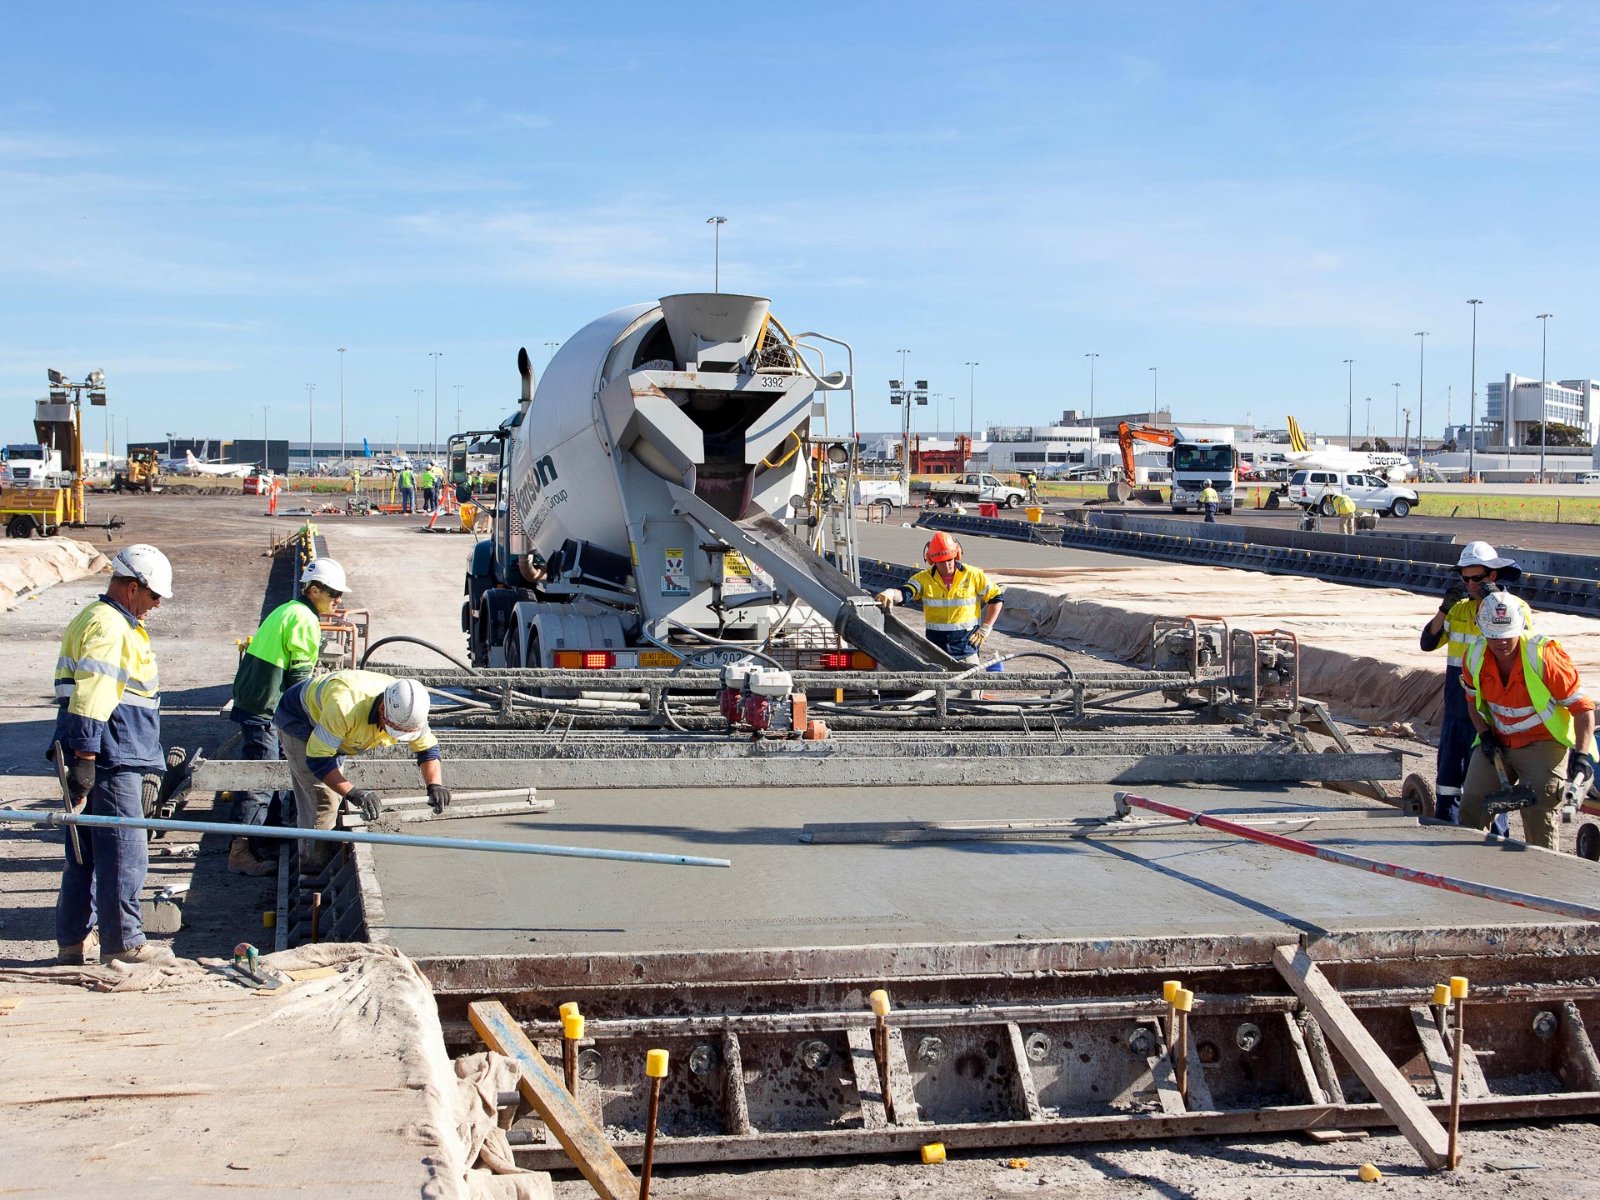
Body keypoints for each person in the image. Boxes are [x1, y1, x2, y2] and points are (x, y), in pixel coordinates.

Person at [51, 545, 176, 966]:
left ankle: (72, 941)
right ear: (130, 586)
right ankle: (124, 943)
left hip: (101, 751)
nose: (156, 604)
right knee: (125, 851)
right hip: (113, 754)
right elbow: (95, 691)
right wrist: (87, 757)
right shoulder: (111, 627)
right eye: (153, 595)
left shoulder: (98, 618)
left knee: (83, 853)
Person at [225, 557, 349, 876]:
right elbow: (299, 685)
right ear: (314, 589)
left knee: (274, 767)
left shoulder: (287, 609)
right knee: (262, 777)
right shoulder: (304, 620)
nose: (338, 600)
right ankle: (241, 850)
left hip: (255, 697)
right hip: (265, 705)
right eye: (333, 593)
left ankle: (268, 835)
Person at [1459, 594, 1595, 851]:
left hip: (1541, 743)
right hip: (1498, 741)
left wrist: (1580, 756)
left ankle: (1541, 879)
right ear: (1483, 630)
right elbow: (1472, 702)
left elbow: (1583, 708)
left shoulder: (1544, 656)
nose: (1500, 642)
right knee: (1472, 806)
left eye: (1507, 634)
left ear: (1519, 627)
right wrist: (1485, 736)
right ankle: (1470, 870)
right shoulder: (1475, 655)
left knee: (1538, 811)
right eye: (1493, 635)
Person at [272, 670, 449, 866]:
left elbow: (428, 751)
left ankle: (327, 847)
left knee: (336, 794)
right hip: (300, 719)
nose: (397, 736)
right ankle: (312, 870)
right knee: (323, 800)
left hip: (338, 728)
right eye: (394, 730)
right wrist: (355, 793)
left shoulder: (410, 711)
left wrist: (435, 785)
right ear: (382, 709)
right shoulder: (344, 707)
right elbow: (319, 760)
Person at [1420, 541, 1533, 824]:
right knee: (1447, 781)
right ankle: (1444, 828)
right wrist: (1444, 608)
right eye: (1465, 578)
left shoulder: (1513, 608)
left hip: (1490, 716)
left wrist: (1494, 604)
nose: (1470, 584)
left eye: (1476, 578)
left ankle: (1493, 840)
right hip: (1457, 711)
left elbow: (1525, 652)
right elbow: (1428, 642)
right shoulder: (1458, 611)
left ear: (1492, 576)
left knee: (1487, 784)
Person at [873, 531, 1004, 665]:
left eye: (949, 560)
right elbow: (905, 592)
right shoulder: (923, 579)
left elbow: (996, 597)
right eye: (941, 562)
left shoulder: (972, 575)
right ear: (932, 560)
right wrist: (890, 593)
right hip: (935, 650)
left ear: (957, 555)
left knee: (972, 684)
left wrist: (985, 629)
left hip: (966, 648)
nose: (947, 565)